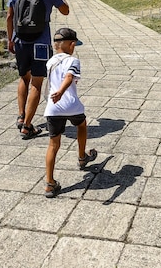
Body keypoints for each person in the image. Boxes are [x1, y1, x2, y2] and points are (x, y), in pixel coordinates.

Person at [6, 0, 69, 139]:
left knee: (24, 78)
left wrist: (10, 39)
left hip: (20, 41)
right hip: (40, 43)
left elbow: (9, 16)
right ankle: (27, 126)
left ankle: (21, 116)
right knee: (36, 82)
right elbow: (65, 11)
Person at [43, 27, 97, 198]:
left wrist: (56, 93)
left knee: (53, 145)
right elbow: (68, 77)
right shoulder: (73, 61)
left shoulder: (50, 61)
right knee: (81, 125)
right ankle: (82, 157)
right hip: (70, 104)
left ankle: (50, 184)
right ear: (71, 44)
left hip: (52, 106)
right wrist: (61, 91)